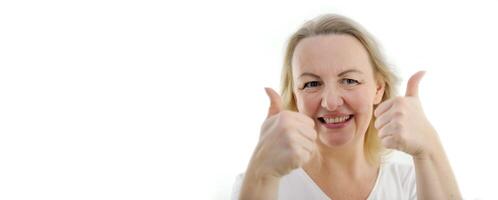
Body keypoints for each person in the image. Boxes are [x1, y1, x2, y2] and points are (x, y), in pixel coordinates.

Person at [231, 14, 461, 200]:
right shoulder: (259, 184)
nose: (331, 102)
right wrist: (262, 174)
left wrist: (430, 147)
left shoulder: (410, 182)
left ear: (378, 89)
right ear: (295, 96)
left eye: (349, 81)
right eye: (311, 84)